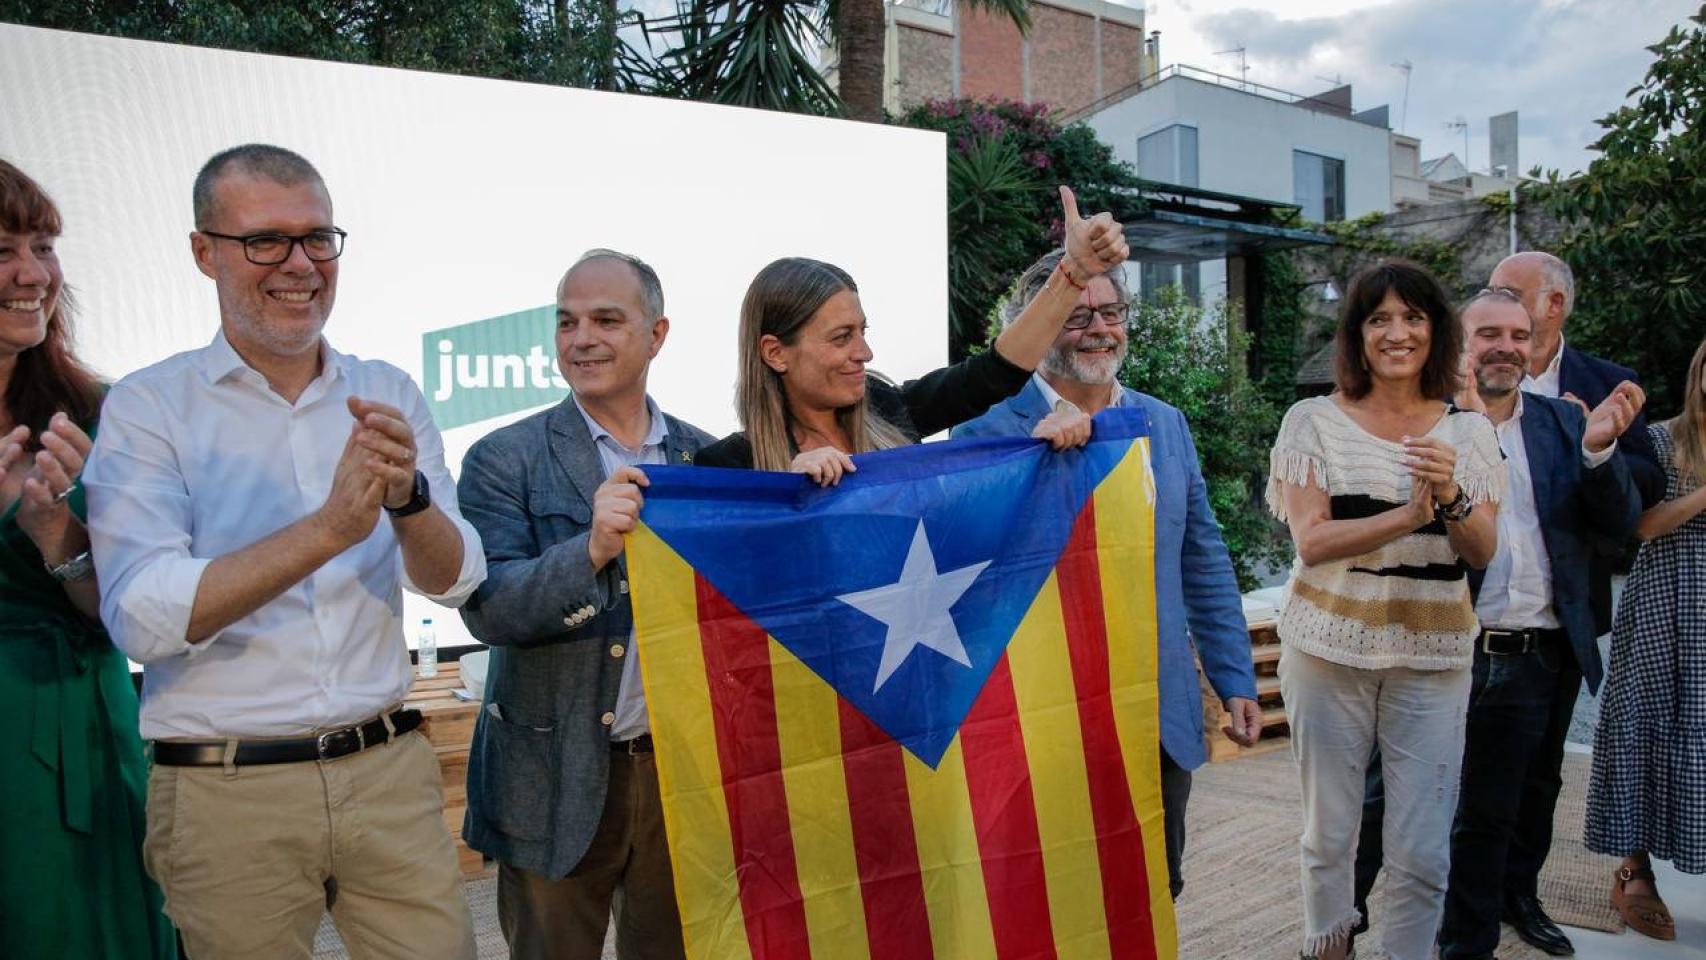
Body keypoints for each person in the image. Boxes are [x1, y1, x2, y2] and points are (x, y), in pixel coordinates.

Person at [83, 144, 485, 959]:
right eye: (265, 240)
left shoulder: (388, 389)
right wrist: (329, 530)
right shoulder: (148, 408)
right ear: (204, 252)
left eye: (318, 238)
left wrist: (409, 502)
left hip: (387, 768)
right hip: (227, 792)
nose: (299, 264)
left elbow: (457, 579)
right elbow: (141, 616)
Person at [950, 248, 1260, 900]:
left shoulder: (1164, 423)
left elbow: (1201, 559)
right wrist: (1045, 460)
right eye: (1076, 315)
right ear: (1034, 326)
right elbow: (974, 572)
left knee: (1150, 889)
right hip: (1041, 721)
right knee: (1047, 901)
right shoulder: (986, 432)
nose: (1099, 328)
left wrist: (1234, 677)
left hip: (1156, 711)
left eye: (1111, 312)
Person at [456, 249, 713, 960]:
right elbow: (491, 611)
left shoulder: (708, 458)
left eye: (606, 319)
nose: (582, 339)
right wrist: (590, 550)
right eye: (566, 322)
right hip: (552, 782)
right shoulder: (504, 458)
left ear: (657, 335)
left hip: (678, 780)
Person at [1266, 260, 1503, 960]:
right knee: (1329, 832)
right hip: (1326, 647)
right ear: (1357, 335)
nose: (1397, 332)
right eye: (1379, 319)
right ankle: (1328, 949)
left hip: (1432, 654)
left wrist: (1452, 497)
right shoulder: (1312, 421)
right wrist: (1408, 513)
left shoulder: (1469, 433)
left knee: (1423, 846)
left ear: (1437, 331)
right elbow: (1312, 542)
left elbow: (1482, 550)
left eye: (1413, 317)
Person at [1426, 289, 1641, 960]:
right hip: (1471, 643)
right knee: (1478, 807)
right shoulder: (1431, 424)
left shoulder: (1560, 423)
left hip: (1553, 645)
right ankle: (1466, 938)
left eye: (1518, 335)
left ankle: (1520, 899)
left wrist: (1601, 451)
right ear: (1458, 345)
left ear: (1536, 345)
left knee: (1539, 790)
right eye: (1487, 333)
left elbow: (1619, 527)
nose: (1505, 347)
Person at [0, 160, 176, 959]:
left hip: (77, 723)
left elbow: (123, 613)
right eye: (2, 250)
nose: (31, 274)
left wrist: (55, 539)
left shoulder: (100, 411)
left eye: (43, 246)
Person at [694, 186, 1129, 472]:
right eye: (841, 337)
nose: (864, 353)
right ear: (775, 353)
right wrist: (786, 496)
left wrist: (1074, 272)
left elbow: (993, 374)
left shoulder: (887, 409)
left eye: (863, 332)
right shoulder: (727, 468)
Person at [1585, 333, 1706, 942]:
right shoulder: (1662, 439)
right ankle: (1634, 866)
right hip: (1667, 598)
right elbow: (1641, 525)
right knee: (1644, 724)